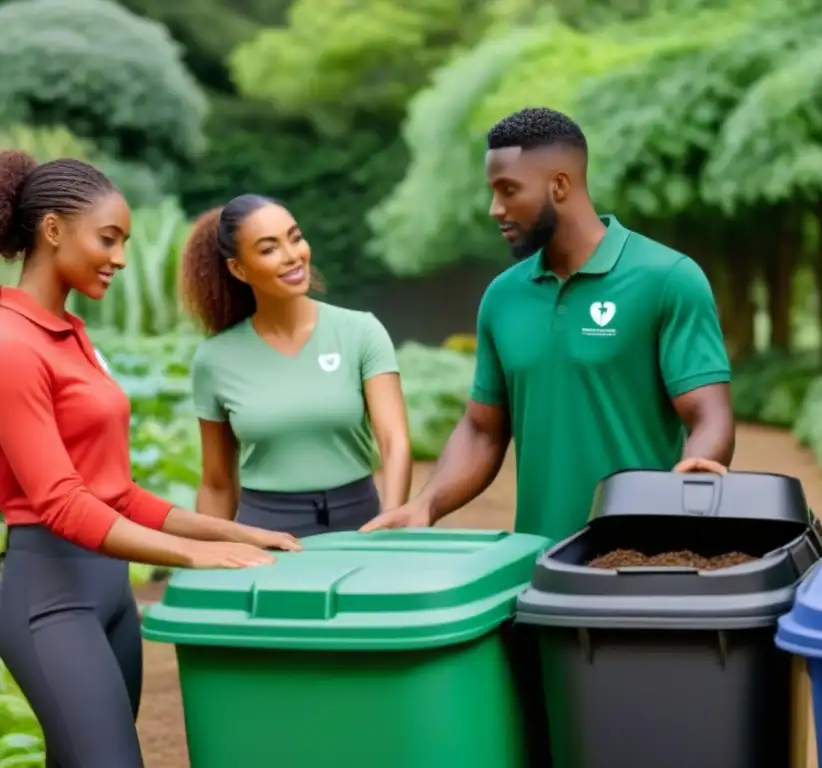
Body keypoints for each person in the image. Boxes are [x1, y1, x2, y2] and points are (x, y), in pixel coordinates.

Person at [0, 151, 302, 768]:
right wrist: (195, 555)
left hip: (110, 590)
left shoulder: (73, 335)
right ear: (53, 230)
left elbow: (115, 492)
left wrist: (238, 531)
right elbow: (59, 501)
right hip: (50, 597)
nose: (120, 259)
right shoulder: (10, 343)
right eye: (108, 239)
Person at [361, 107, 734, 542]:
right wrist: (426, 504)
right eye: (492, 192)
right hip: (540, 563)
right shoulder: (503, 296)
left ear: (559, 185)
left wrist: (695, 475)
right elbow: (483, 430)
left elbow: (709, 414)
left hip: (644, 558)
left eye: (509, 191)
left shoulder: (667, 278)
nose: (494, 208)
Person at [178, 194, 412, 537]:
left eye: (295, 238)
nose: (292, 256)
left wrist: (389, 523)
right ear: (238, 268)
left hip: (360, 525)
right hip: (267, 533)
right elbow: (217, 484)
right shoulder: (215, 360)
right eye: (269, 248)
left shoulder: (361, 331)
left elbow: (395, 442)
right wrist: (210, 555)